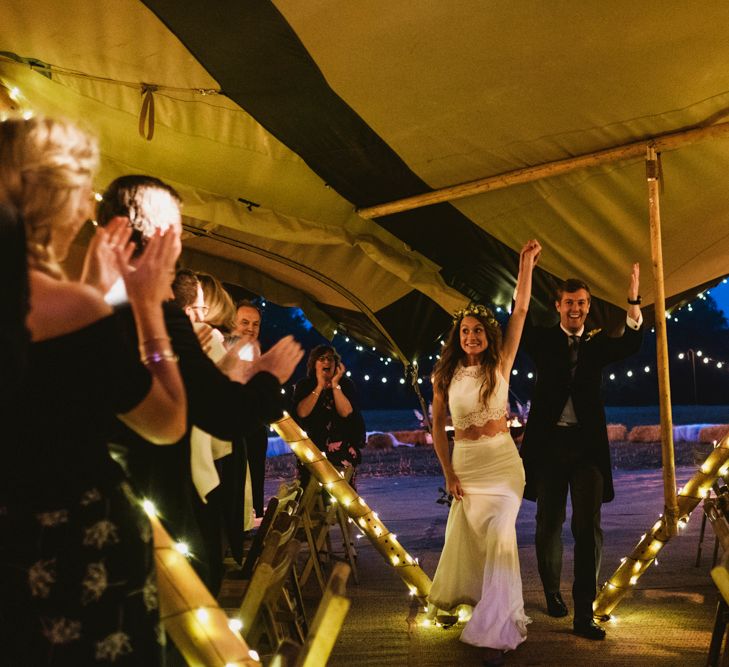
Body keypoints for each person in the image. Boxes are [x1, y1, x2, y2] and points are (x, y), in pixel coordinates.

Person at [0, 117, 187, 665]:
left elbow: (42, 382)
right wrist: (146, 303)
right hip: (75, 551)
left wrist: (88, 286)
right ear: (58, 199)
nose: (87, 207)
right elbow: (167, 421)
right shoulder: (75, 310)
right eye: (85, 190)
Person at [92, 174, 303, 595]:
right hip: (157, 509)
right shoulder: (157, 310)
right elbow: (221, 414)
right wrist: (267, 376)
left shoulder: (91, 301)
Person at [427, 240, 541, 666]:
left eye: (477, 330)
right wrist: (447, 473)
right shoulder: (443, 374)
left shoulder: (501, 362)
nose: (471, 336)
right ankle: (477, 600)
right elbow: (438, 428)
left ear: (486, 335)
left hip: (504, 463)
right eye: (465, 331)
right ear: (458, 337)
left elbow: (522, 311)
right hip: (466, 465)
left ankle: (499, 620)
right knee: (473, 541)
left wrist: (524, 265)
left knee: (501, 537)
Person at [519, 266, 643, 640]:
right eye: (570, 302)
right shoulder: (541, 341)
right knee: (549, 523)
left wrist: (633, 298)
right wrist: (526, 270)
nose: (576, 309)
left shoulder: (597, 343)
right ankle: (553, 592)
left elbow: (633, 342)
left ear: (588, 308)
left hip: (587, 448)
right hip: (549, 446)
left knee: (587, 528)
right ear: (558, 306)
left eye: (582, 303)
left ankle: (583, 613)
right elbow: (519, 316)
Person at [292, 345, 365, 487]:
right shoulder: (305, 385)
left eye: (330, 359)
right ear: (314, 364)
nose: (327, 362)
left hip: (342, 447)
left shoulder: (345, 384)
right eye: (322, 359)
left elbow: (346, 412)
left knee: (341, 485)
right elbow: (302, 412)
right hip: (313, 447)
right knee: (309, 487)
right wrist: (319, 386)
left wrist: (335, 385)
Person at [233, 300, 267, 518]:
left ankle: (256, 519)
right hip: (233, 427)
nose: (250, 328)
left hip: (256, 426)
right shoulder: (223, 349)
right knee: (236, 481)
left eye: (255, 324)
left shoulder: (257, 352)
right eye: (244, 322)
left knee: (256, 477)